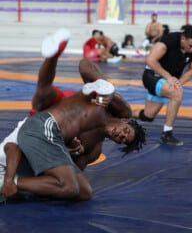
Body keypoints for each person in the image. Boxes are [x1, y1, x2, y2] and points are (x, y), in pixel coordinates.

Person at [0, 29, 146, 202]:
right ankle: (52, 56)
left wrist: (72, 152)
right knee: (42, 99)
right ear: (125, 121)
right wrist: (104, 86)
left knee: (82, 191)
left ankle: (14, 184)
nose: (120, 135)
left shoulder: (93, 150)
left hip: (51, 136)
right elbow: (85, 64)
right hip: (51, 115)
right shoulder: (115, 108)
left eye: (122, 140)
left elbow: (69, 167)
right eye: (126, 132)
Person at [133, 24, 192, 146]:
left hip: (167, 80)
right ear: (182, 39)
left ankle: (121, 113)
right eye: (190, 46)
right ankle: (167, 134)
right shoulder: (169, 40)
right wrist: (169, 78)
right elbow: (150, 60)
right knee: (177, 93)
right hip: (152, 76)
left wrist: (178, 82)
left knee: (148, 116)